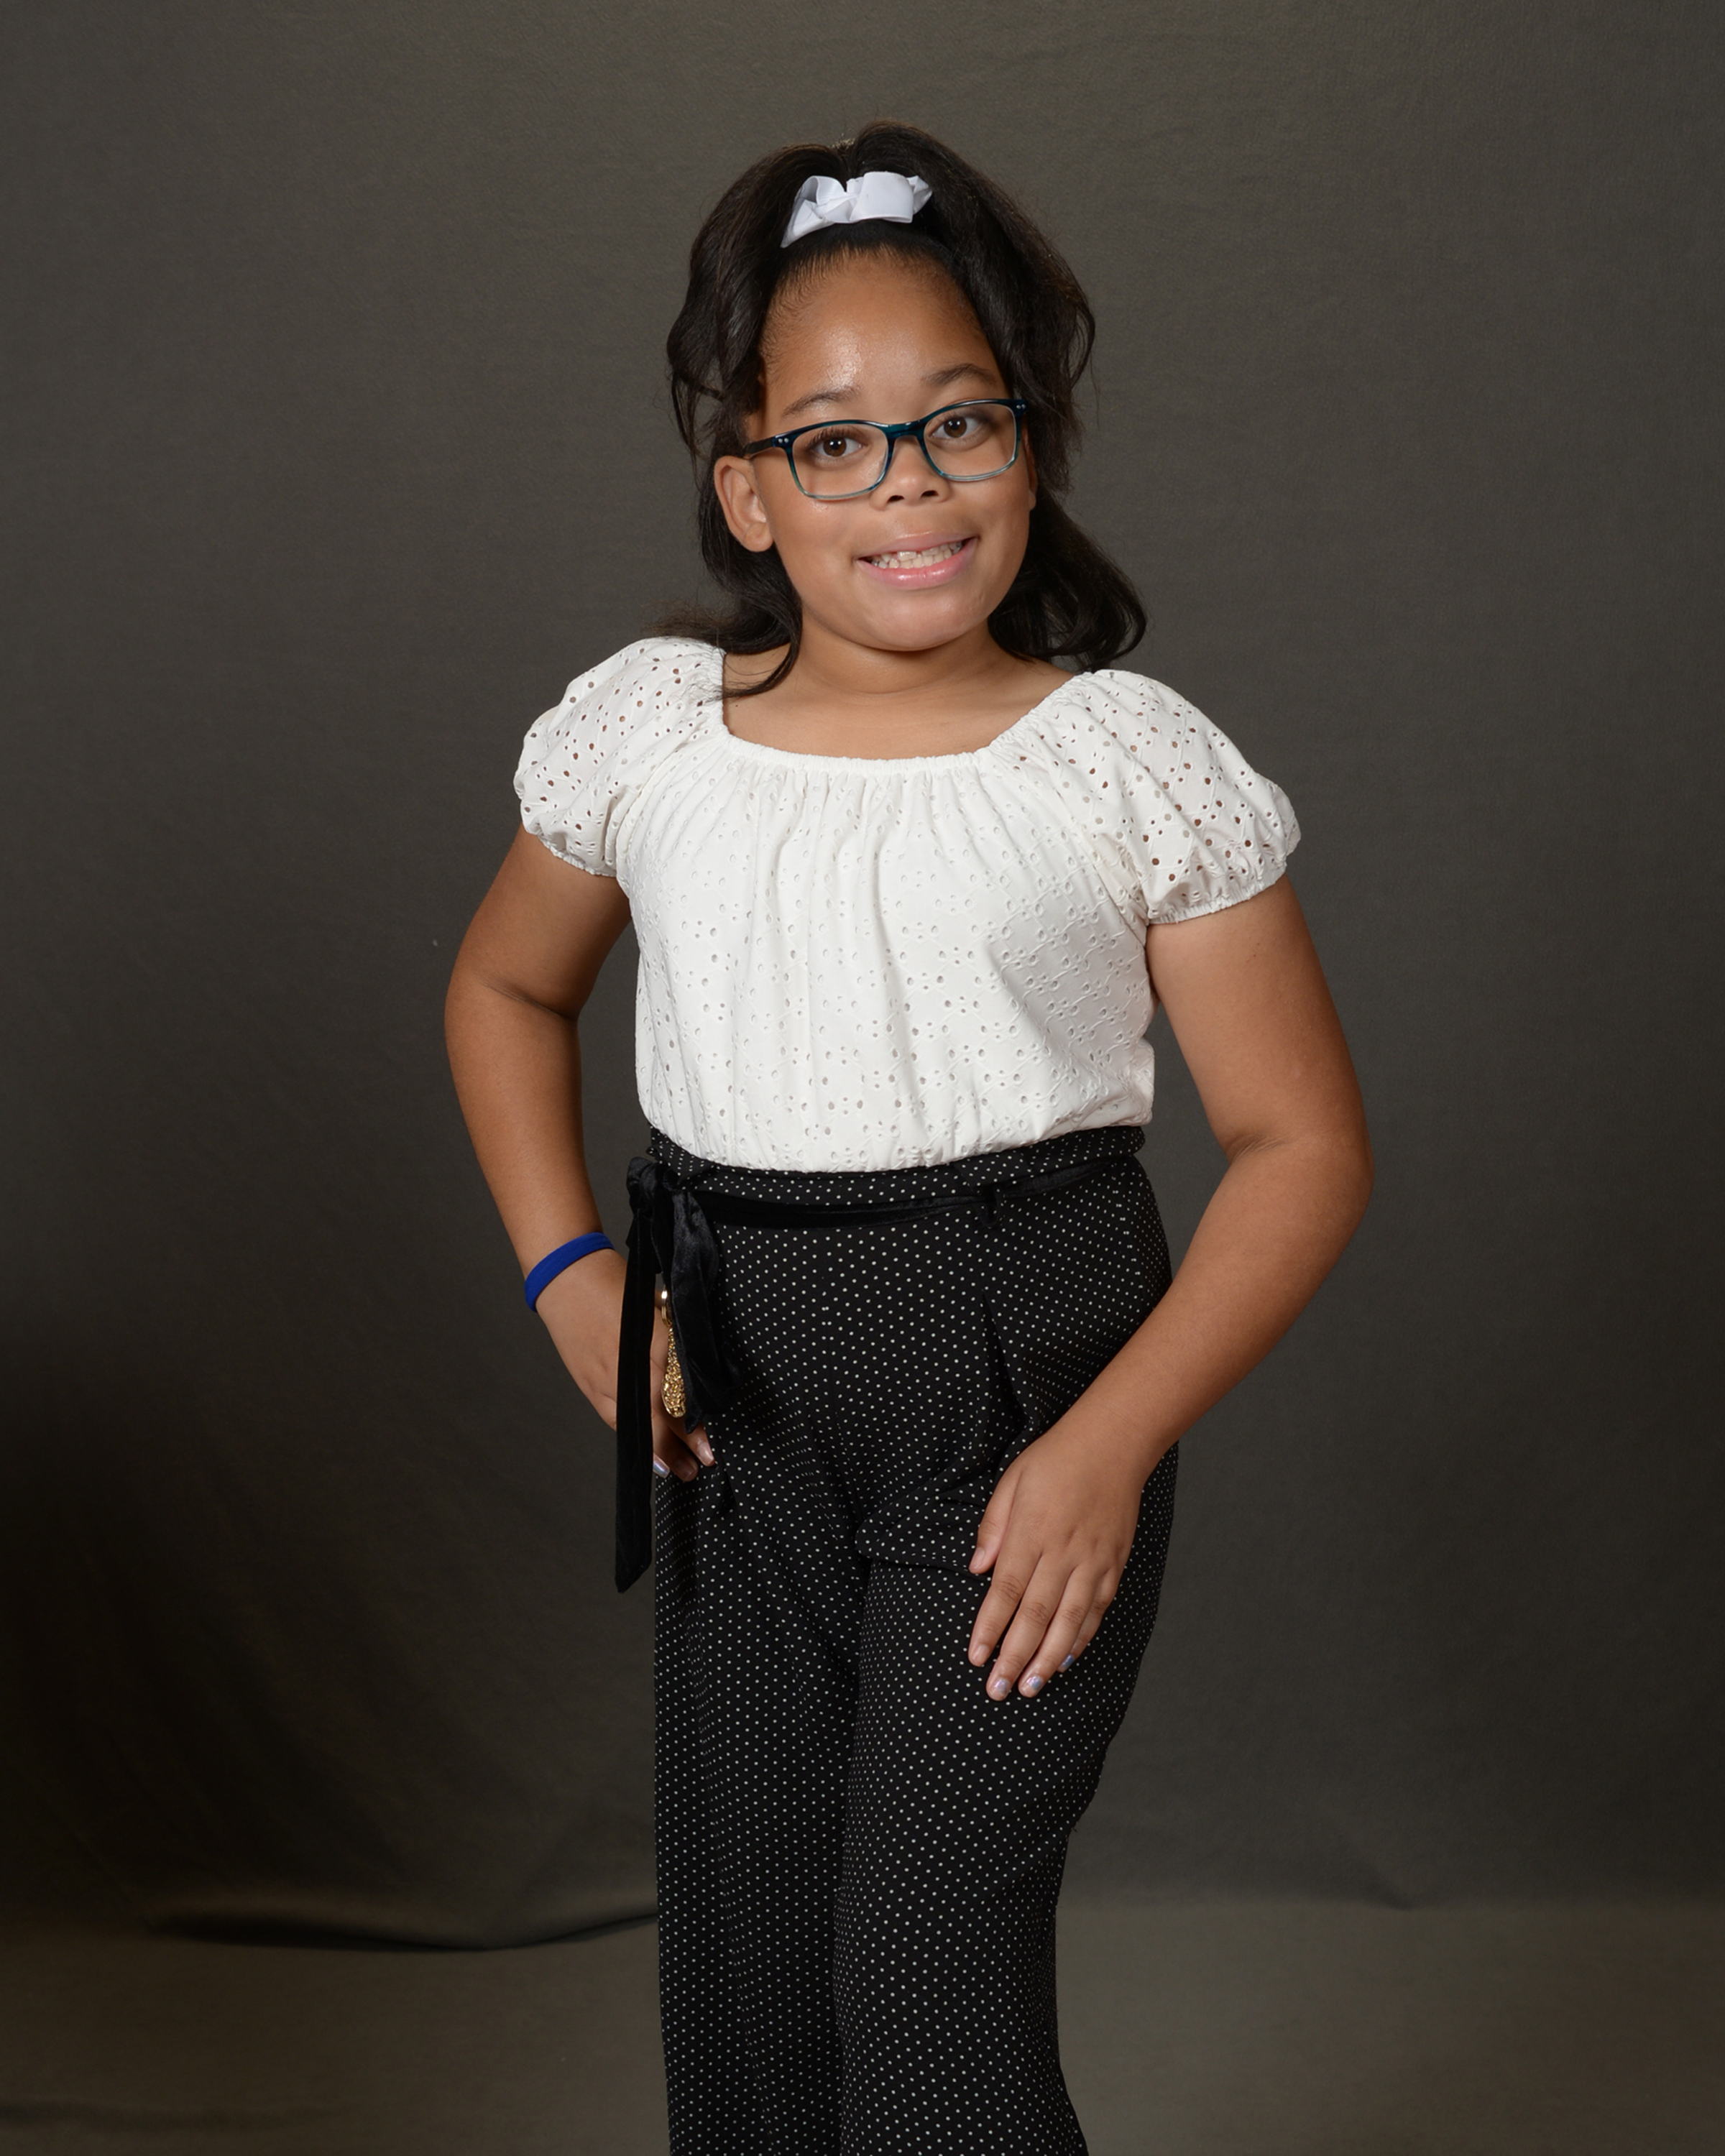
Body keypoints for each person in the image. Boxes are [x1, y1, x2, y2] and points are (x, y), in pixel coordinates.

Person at [445, 121, 1372, 2156]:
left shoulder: (1121, 761)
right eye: (838, 443)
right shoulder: (651, 735)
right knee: (758, 1975)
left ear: (1028, 447)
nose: (909, 486)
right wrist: (572, 1277)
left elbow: (1304, 1145)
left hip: (1025, 1384)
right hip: (735, 1397)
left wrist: (1107, 1447)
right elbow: (504, 991)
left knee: (927, 1982)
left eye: (959, 424)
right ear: (748, 489)